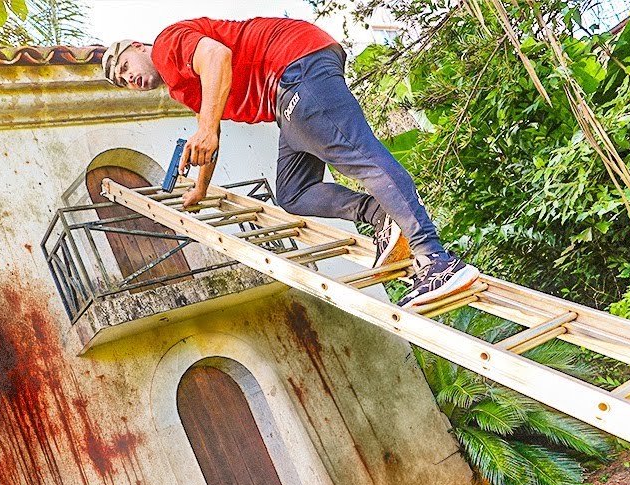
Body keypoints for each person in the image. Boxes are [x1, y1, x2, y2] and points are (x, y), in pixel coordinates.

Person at [101, 17, 480, 309]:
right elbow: (210, 130)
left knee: (361, 158)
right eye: (123, 82)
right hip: (286, 98)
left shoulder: (168, 44)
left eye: (125, 67)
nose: (129, 78)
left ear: (137, 46)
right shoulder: (184, 87)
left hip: (295, 68)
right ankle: (380, 216)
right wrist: (200, 186)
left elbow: (217, 55)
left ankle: (437, 261)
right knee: (294, 193)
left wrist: (207, 129)